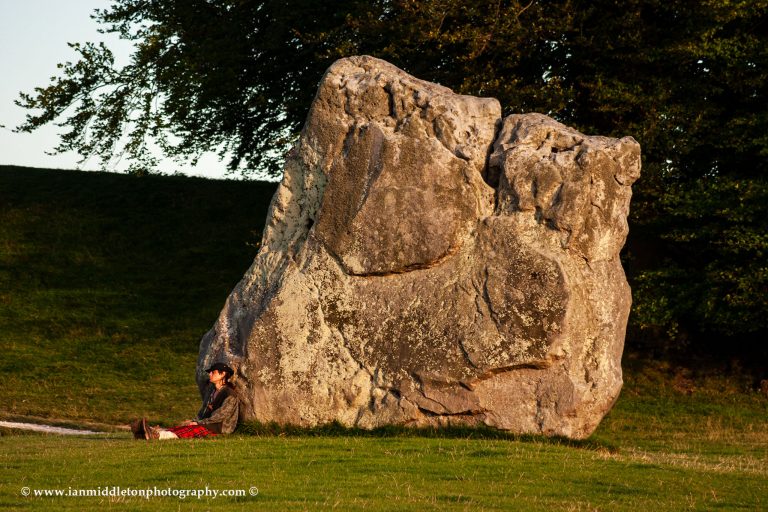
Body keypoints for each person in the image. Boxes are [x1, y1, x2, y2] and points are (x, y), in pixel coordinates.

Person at [131, 362, 240, 440]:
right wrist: (194, 420)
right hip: (208, 423)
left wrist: (197, 422)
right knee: (184, 427)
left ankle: (157, 435)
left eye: (213, 372)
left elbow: (220, 416)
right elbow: (204, 411)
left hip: (220, 427)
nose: (210, 374)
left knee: (191, 431)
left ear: (223, 374)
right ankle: (145, 433)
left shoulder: (229, 394)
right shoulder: (212, 391)